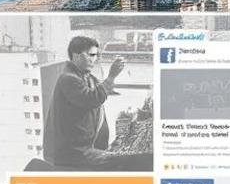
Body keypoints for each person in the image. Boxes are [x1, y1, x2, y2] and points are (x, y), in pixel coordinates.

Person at [43, 36, 152, 171]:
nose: (95, 59)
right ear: (77, 56)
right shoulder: (68, 79)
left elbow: (102, 89)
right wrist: (112, 76)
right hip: (73, 154)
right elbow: (91, 99)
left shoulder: (84, 77)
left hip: (85, 150)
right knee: (140, 160)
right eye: (91, 55)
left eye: (96, 55)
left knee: (134, 159)